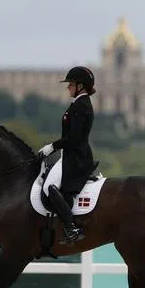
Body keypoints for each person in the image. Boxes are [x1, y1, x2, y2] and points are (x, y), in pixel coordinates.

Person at [36, 65, 100, 244]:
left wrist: (51, 147)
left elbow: (73, 137)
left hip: (76, 157)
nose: (68, 87)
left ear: (80, 86)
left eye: (71, 84)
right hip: (71, 155)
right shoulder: (79, 104)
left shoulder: (81, 105)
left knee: (50, 187)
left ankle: (72, 228)